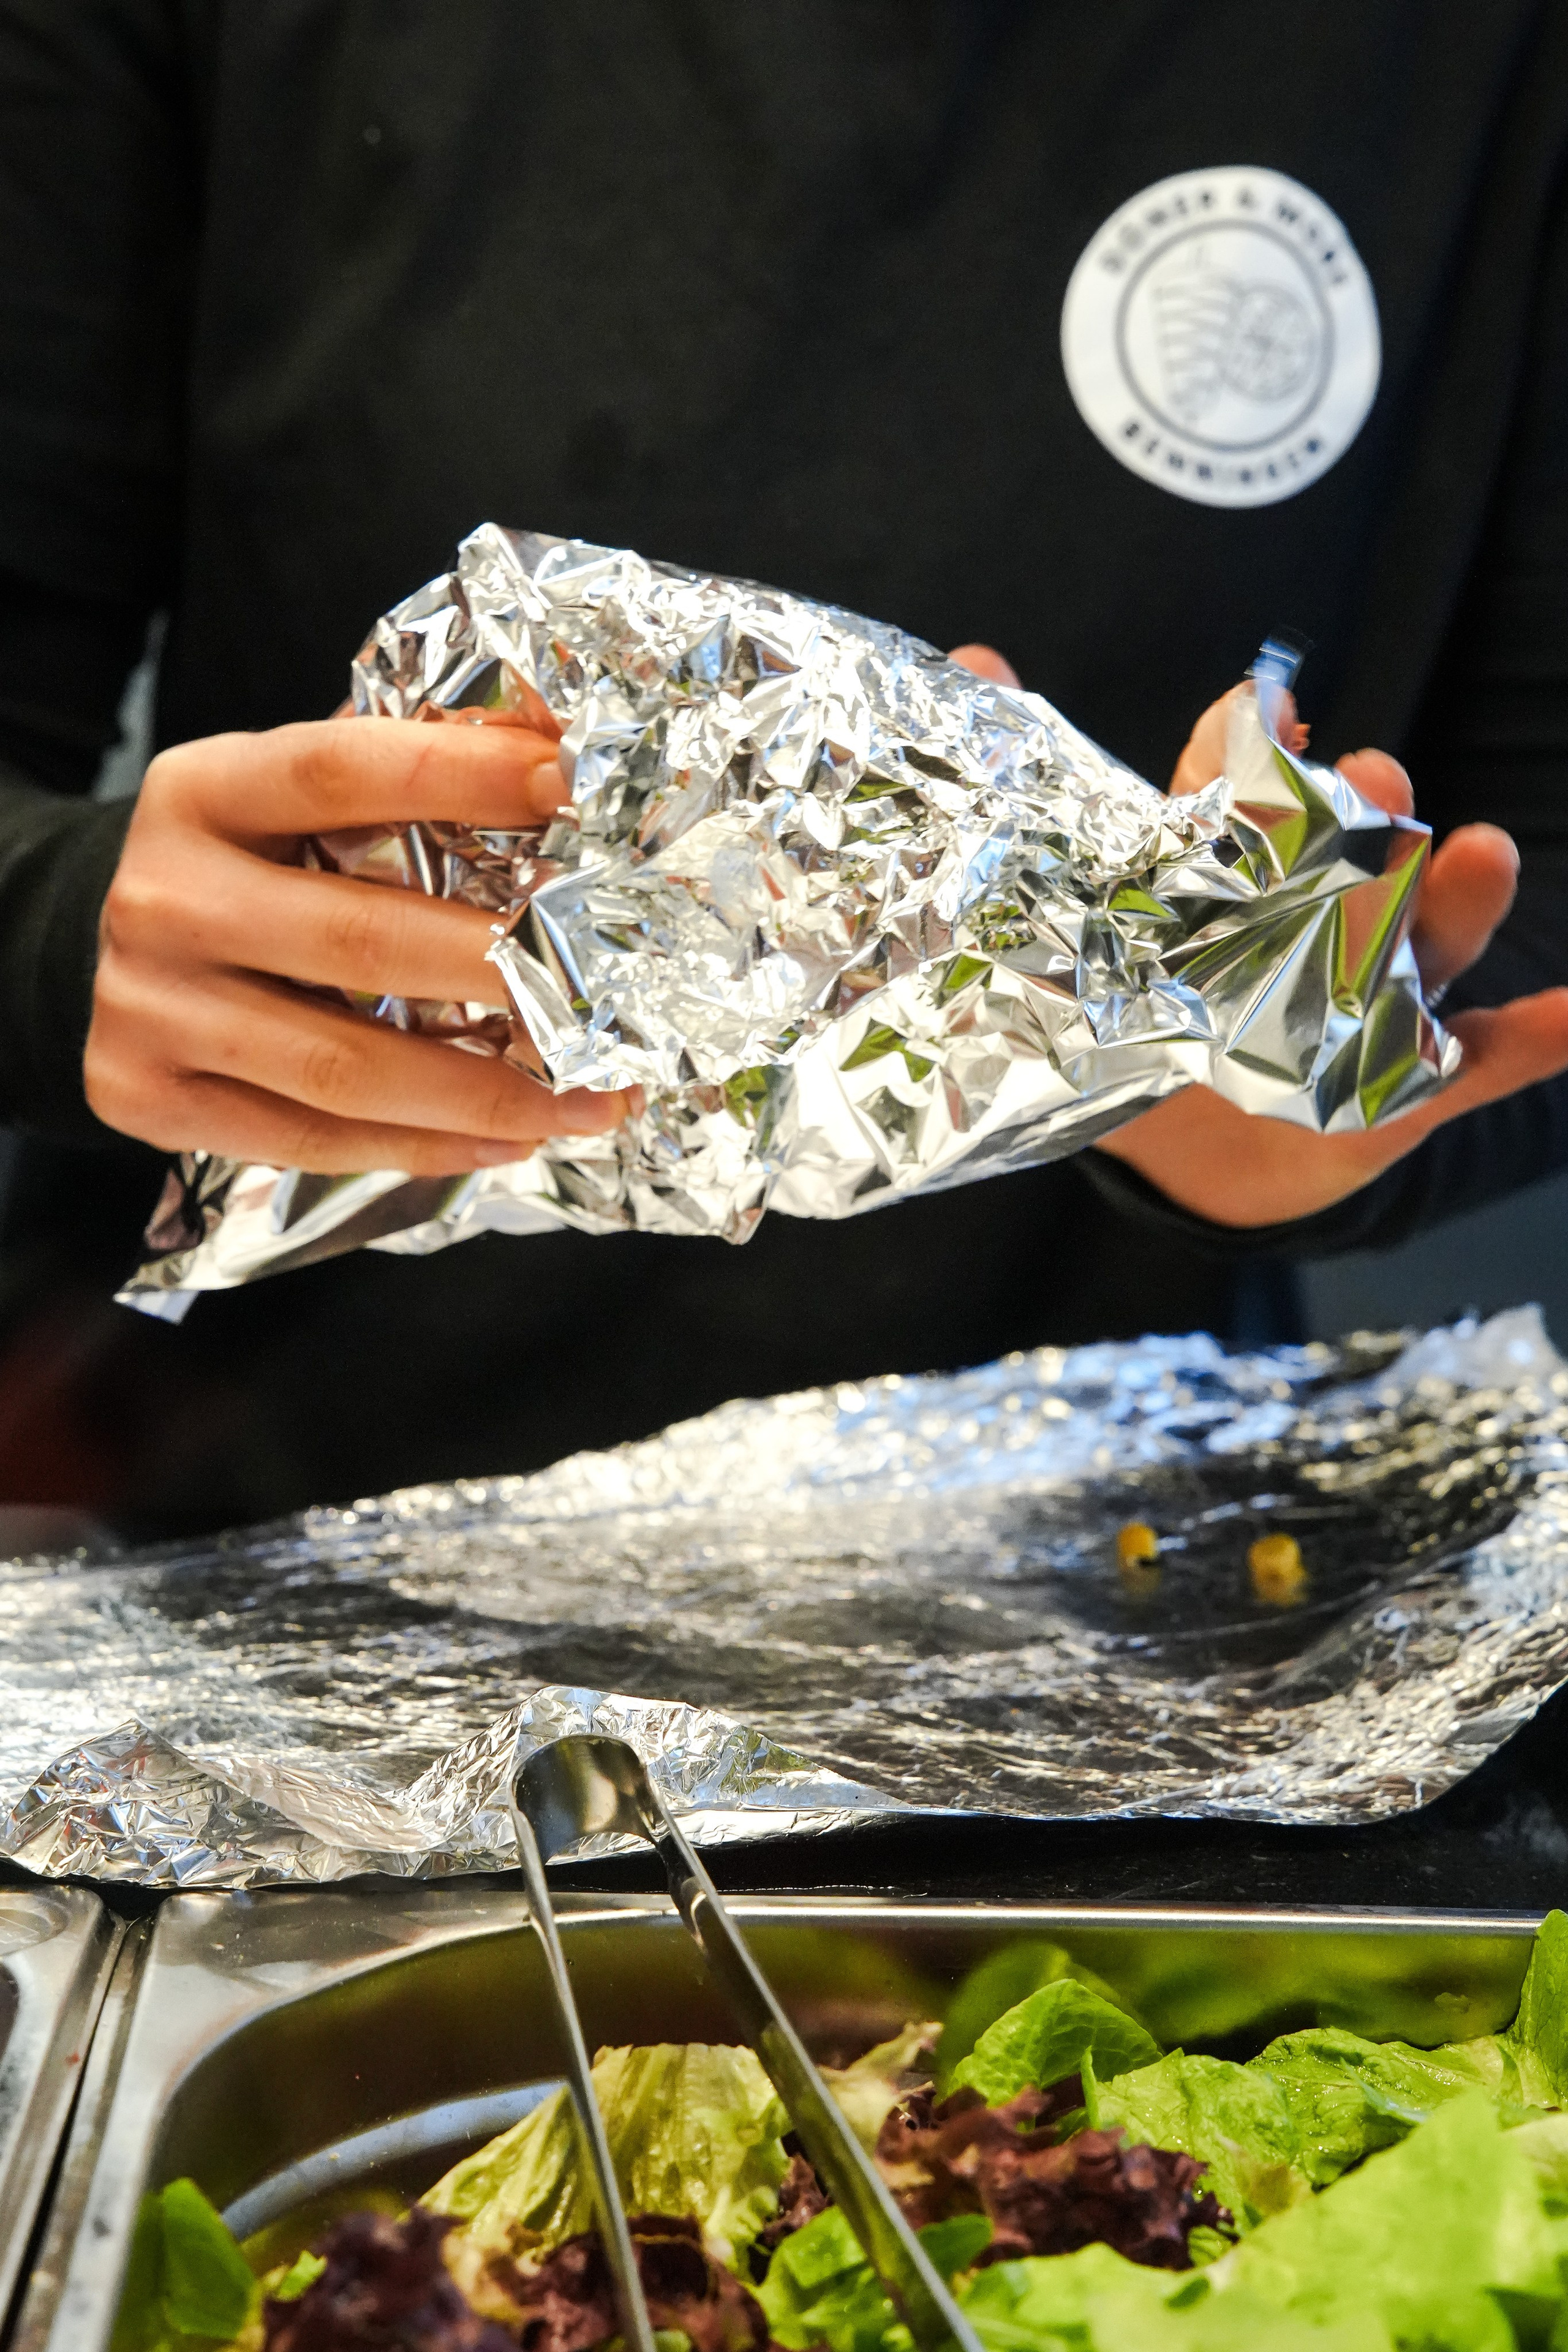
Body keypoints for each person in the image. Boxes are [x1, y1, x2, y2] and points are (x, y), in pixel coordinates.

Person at [1, 0, 1566, 1537]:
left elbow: (1532, 860)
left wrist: (1293, 1089)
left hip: (1094, 1587)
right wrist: (59, 929)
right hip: (240, 1532)